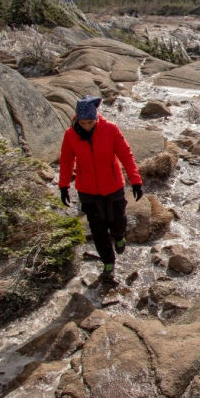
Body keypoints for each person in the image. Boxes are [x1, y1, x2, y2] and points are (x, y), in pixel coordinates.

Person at [58, 95, 143, 280]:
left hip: (113, 186)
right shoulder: (70, 134)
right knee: (98, 229)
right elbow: (66, 161)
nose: (87, 126)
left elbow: (126, 154)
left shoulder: (110, 129)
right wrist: (63, 185)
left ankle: (119, 237)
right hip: (87, 190)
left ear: (96, 117)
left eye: (90, 122)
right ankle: (108, 261)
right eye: (83, 123)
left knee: (118, 222)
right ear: (77, 120)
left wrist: (135, 180)